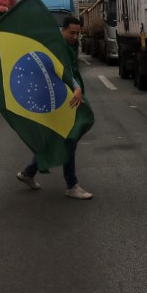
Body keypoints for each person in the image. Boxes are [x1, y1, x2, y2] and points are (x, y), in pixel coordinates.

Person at [16, 15, 93, 200]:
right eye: (72, 33)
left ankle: (28, 172)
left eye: (78, 33)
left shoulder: (68, 46)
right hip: (60, 100)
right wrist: (76, 87)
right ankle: (71, 184)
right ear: (63, 30)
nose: (75, 36)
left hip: (67, 99)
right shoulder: (57, 47)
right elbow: (61, 70)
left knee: (56, 138)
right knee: (69, 138)